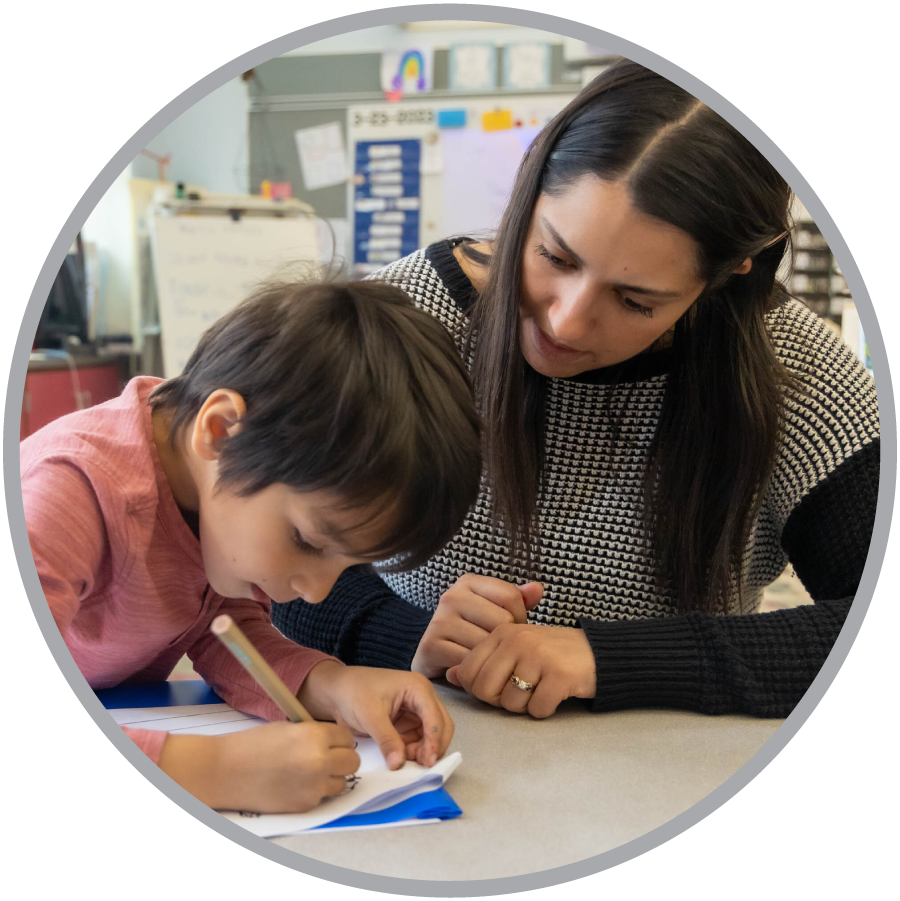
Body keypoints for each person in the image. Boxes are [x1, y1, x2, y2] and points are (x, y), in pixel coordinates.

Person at [272, 58, 880, 720]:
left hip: (670, 779)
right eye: (556, 256)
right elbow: (278, 556)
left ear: (727, 274)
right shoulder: (407, 320)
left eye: (635, 299)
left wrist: (604, 658)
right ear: (531, 191)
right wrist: (407, 637)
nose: (566, 320)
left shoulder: (799, 375)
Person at [20, 278, 482, 813]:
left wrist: (334, 685)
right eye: (307, 541)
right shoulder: (70, 492)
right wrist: (210, 772)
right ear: (221, 431)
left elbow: (228, 638)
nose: (313, 594)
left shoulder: (218, 500)